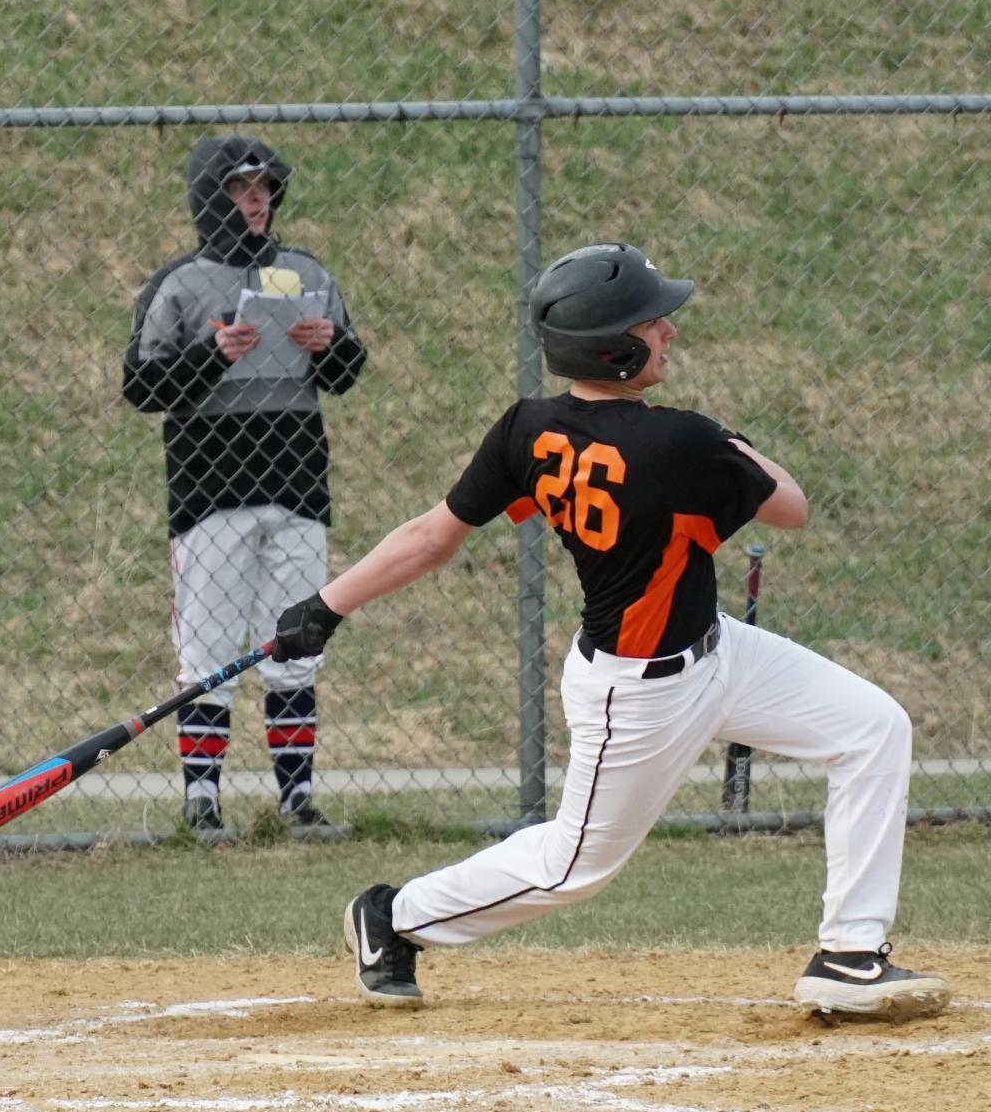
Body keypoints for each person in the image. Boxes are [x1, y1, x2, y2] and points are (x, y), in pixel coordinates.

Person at [272, 243, 950, 1022]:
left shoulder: (528, 428)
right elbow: (790, 505)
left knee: (872, 727)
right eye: (654, 326)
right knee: (574, 867)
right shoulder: (679, 443)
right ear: (617, 349)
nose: (669, 335)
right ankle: (393, 917)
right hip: (638, 693)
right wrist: (728, 438)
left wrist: (327, 605)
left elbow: (433, 534)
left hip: (717, 650)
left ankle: (850, 952)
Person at [120, 135, 367, 833]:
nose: (255, 201)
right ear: (209, 198)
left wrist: (331, 348)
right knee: (209, 651)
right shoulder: (179, 284)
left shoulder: (306, 272)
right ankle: (203, 801)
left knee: (296, 647)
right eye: (238, 189)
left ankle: (297, 800)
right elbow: (139, 385)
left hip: (296, 487)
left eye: (263, 189)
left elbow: (346, 374)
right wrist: (210, 354)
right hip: (210, 494)